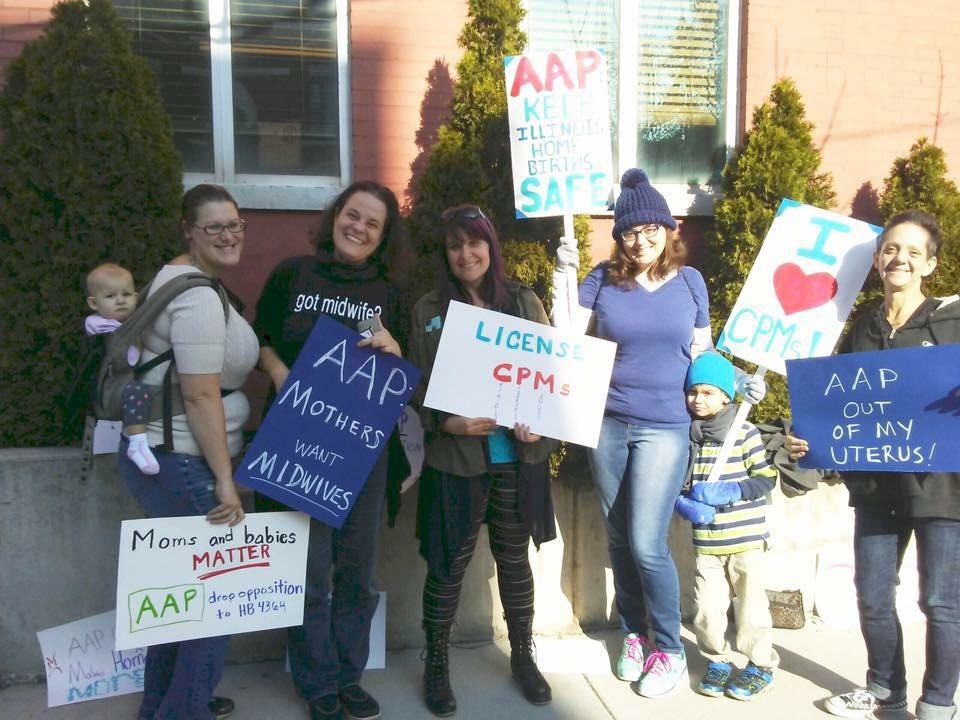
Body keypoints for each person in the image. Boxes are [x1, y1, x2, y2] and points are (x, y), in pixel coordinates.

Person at [551, 167, 765, 698]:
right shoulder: (601, 279)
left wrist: (736, 380)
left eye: (651, 228)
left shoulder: (691, 282)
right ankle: (634, 634)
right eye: (629, 231)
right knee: (619, 536)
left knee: (648, 541)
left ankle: (668, 647)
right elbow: (564, 340)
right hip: (608, 422)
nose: (641, 238)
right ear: (618, 236)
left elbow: (701, 354)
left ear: (668, 229)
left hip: (665, 427)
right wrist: (564, 276)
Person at [786, 210, 960, 720]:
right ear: (878, 259)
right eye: (890, 249)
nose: (899, 258)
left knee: (940, 602)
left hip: (941, 486)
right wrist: (811, 441)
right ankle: (885, 688)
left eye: (912, 251)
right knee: (873, 596)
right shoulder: (863, 325)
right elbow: (844, 405)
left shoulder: (952, 322)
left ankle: (938, 701)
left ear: (929, 264)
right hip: (876, 488)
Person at [254, 180, 411, 720]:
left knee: (359, 572)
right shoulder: (293, 275)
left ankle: (349, 676)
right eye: (353, 214)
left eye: (373, 224)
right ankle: (317, 682)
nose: (359, 228)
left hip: (364, 452)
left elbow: (406, 372)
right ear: (335, 215)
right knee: (311, 573)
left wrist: (393, 349)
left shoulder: (388, 293)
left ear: (383, 237)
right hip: (299, 442)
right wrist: (277, 374)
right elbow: (260, 338)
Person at [408, 203, 557, 717]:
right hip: (457, 461)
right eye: (454, 245)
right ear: (445, 254)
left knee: (515, 563)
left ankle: (522, 656)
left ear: (490, 247)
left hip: (515, 460)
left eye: (474, 242)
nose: (465, 253)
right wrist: (445, 423)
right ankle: (436, 662)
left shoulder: (521, 301)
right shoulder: (428, 309)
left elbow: (551, 378)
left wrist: (539, 421)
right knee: (447, 565)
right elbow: (418, 390)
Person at [118, 184, 259, 720]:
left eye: (235, 224)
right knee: (213, 602)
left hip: (163, 456)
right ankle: (184, 710)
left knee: (181, 594)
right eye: (214, 227)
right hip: (183, 460)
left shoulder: (175, 278)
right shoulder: (198, 296)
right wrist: (225, 481)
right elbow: (200, 394)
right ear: (189, 232)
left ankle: (167, 702)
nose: (228, 235)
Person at [674, 351, 779, 701]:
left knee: (751, 607)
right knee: (706, 608)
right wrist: (684, 503)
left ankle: (760, 664)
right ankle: (716, 659)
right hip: (707, 543)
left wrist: (733, 490)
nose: (698, 399)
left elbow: (766, 478)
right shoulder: (690, 439)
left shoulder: (743, 433)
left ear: (726, 395)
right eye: (693, 391)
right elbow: (681, 485)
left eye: (707, 392)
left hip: (746, 540)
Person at [84, 262, 160, 474]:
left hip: (124, 389)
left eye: (127, 294)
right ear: (93, 303)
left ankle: (141, 442)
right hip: (109, 393)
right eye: (110, 296)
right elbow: (128, 356)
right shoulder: (99, 325)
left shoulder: (130, 325)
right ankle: (137, 445)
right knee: (138, 391)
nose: (120, 301)